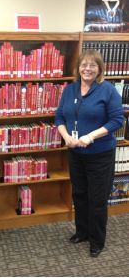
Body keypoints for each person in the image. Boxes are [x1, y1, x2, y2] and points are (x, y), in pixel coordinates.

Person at [55, 50, 124, 257]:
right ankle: (82, 232)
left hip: (100, 154)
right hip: (75, 153)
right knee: (79, 194)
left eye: (92, 65)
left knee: (97, 199)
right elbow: (59, 117)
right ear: (78, 68)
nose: (87, 69)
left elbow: (117, 121)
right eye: (84, 65)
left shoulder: (108, 90)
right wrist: (65, 136)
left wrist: (92, 136)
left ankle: (97, 240)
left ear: (100, 68)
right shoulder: (70, 89)